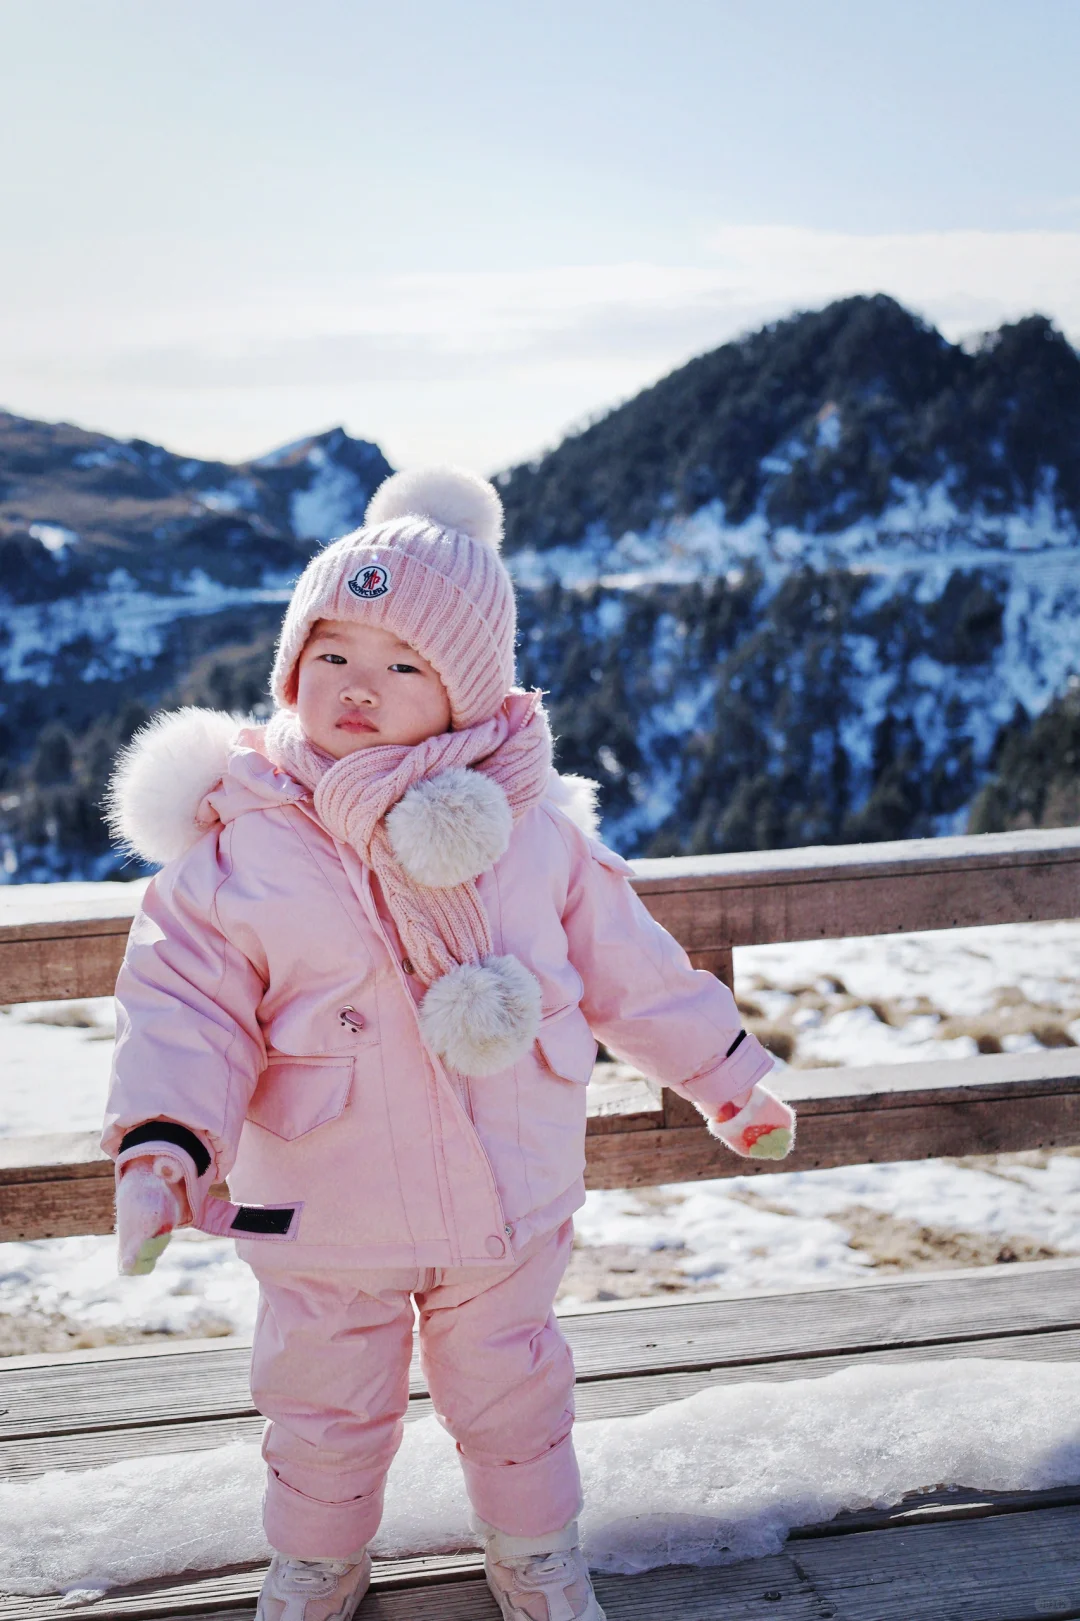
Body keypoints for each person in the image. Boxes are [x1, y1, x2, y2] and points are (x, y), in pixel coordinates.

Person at [102, 466, 796, 1621]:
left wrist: (727, 1076)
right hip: (326, 1202)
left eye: (402, 663)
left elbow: (633, 967)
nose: (356, 688)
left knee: (515, 1392)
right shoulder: (246, 844)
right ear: (290, 667)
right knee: (322, 1402)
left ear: (469, 690)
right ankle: (319, 1561)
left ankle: (535, 1551)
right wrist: (165, 1138)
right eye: (332, 655)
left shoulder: (530, 831)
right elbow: (183, 1005)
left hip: (505, 1193)